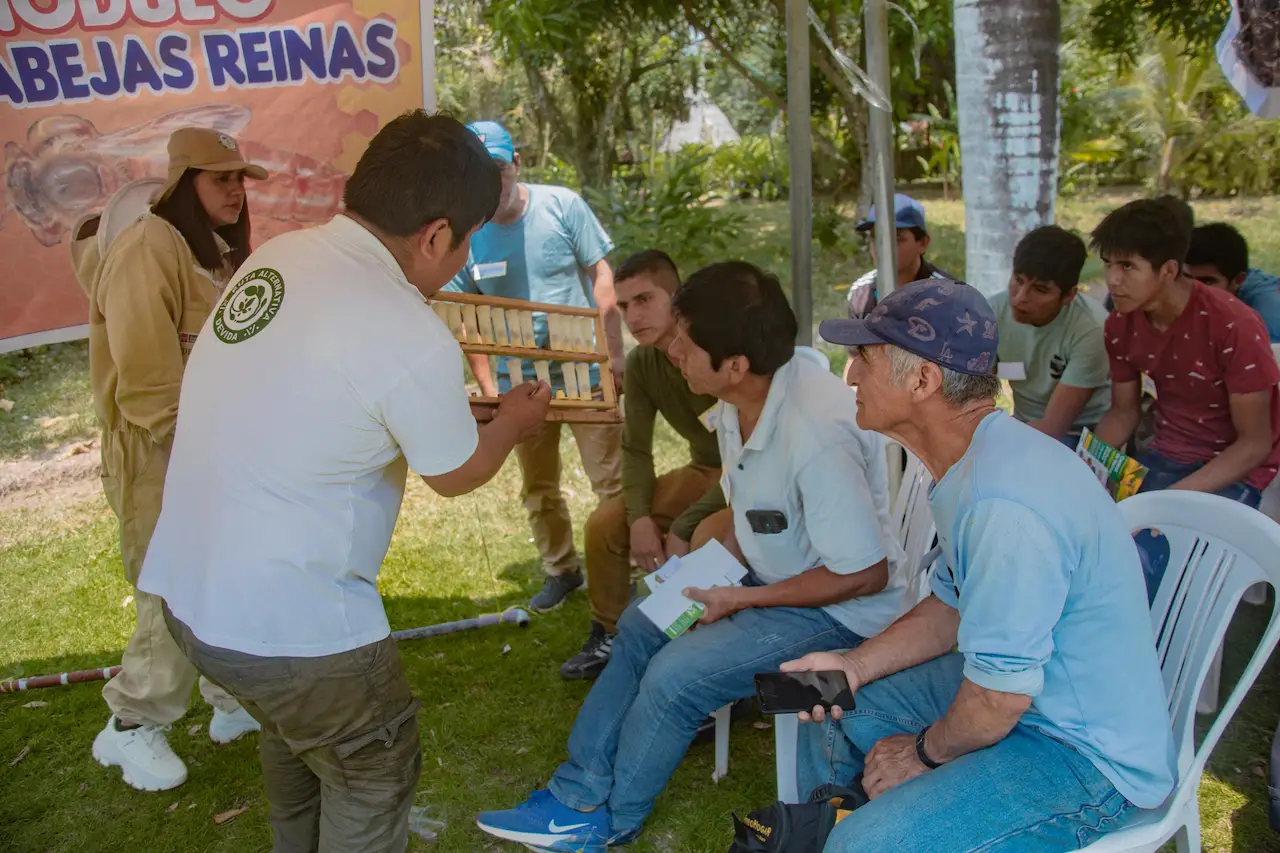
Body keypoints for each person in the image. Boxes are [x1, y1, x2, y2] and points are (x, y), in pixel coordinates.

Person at [136, 112, 551, 852]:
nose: (462, 260)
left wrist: (462, 408)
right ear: (433, 235)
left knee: (301, 738)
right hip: (297, 629)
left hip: (191, 595)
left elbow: (320, 395)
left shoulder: (281, 257)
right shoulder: (404, 324)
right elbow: (456, 472)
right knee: (372, 764)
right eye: (466, 241)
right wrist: (514, 423)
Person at [476, 261, 909, 853]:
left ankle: (610, 820)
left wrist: (740, 597)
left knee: (676, 680)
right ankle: (577, 792)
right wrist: (705, 564)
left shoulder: (815, 434)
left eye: (686, 341)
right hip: (771, 573)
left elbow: (865, 572)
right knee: (638, 623)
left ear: (733, 364)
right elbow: (753, 505)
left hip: (840, 611)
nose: (672, 350)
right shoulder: (745, 393)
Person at [786, 278, 1176, 852]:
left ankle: (866, 832)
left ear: (924, 380)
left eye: (864, 359)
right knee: (830, 700)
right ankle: (838, 823)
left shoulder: (1003, 503)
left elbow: (998, 702)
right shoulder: (976, 460)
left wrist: (919, 754)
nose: (850, 377)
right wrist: (851, 665)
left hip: (1081, 753)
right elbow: (951, 605)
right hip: (1025, 701)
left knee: (864, 847)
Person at [73, 127, 266, 792]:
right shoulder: (148, 247)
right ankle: (129, 725)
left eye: (242, 178)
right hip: (160, 451)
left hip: (206, 447)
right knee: (175, 586)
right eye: (222, 179)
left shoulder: (206, 251)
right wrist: (205, 462)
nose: (238, 191)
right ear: (185, 183)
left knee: (224, 576)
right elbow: (150, 385)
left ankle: (230, 702)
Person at [447, 120, 624, 613]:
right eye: (479, 174)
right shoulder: (468, 234)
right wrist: (488, 388)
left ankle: (625, 566)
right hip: (520, 389)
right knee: (539, 487)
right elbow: (469, 318)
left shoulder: (562, 206)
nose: (492, 184)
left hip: (584, 373)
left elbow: (602, 275)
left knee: (609, 482)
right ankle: (561, 569)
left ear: (517, 165)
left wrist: (613, 355)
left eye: (498, 170)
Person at [561, 250, 721, 681]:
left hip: (749, 477)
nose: (633, 316)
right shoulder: (643, 362)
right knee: (605, 523)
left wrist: (683, 524)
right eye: (624, 306)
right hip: (704, 470)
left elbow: (754, 458)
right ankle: (611, 633)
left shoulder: (717, 347)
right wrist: (639, 519)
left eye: (645, 300)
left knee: (702, 535)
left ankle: (704, 650)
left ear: (677, 296)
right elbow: (635, 451)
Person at [1091, 199, 1280, 508]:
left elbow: (1254, 444)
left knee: (1174, 547)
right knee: (1097, 538)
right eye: (1108, 263)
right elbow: (1123, 412)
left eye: (1127, 266)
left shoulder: (1234, 324)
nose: (1112, 280)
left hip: (1234, 471)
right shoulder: (1120, 325)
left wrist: (1173, 499)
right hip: (1165, 455)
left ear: (1168, 270)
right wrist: (1086, 464)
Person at [988, 225, 1111, 448]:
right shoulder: (993, 312)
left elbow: (1053, 427)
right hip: (1024, 424)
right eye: (1018, 280)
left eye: (1040, 290)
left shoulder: (1091, 329)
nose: (1020, 298)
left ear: (1069, 295)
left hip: (1081, 432)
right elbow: (975, 392)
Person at [844, 193, 953, 383]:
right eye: (875, 238)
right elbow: (855, 358)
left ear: (923, 243)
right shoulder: (861, 294)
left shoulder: (948, 296)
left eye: (896, 239)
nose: (882, 248)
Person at [1184, 222, 1280, 342]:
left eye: (1207, 281)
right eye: (1186, 277)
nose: (1193, 289)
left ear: (1238, 281)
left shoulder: (1269, 314)